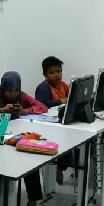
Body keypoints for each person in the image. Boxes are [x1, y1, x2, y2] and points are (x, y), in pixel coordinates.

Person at [0, 71, 49, 206]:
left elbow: (42, 106)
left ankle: (33, 201)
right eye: (9, 91)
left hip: (17, 136)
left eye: (15, 90)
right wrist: (0, 111)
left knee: (30, 162)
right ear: (3, 88)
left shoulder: (22, 96)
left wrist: (25, 110)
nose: (12, 94)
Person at [35, 56, 75, 184]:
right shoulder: (43, 88)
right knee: (66, 144)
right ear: (45, 75)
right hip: (48, 125)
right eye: (51, 73)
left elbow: (72, 96)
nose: (56, 75)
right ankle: (58, 167)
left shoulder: (63, 85)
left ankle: (61, 167)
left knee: (72, 142)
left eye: (58, 71)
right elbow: (43, 105)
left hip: (60, 123)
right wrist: (61, 101)